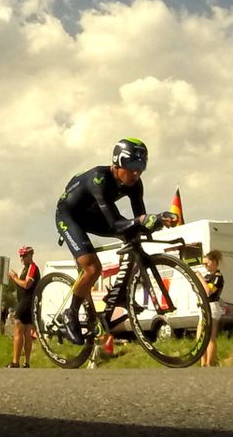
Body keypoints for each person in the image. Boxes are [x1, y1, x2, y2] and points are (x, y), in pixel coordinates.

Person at [55, 137, 177, 344]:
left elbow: (140, 220)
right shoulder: (99, 180)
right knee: (93, 269)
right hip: (70, 217)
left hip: (95, 216)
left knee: (133, 237)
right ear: (117, 163)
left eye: (141, 167)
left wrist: (155, 221)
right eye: (132, 166)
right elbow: (115, 224)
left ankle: (121, 293)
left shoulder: (135, 184)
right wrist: (143, 220)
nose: (136, 173)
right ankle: (71, 313)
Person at [7, 245, 40, 368]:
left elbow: (27, 284)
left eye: (24, 256)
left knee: (18, 330)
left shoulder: (32, 267)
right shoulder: (26, 268)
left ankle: (15, 361)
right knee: (27, 333)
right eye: (20, 256)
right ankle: (26, 362)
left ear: (30, 256)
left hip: (26, 302)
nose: (21, 258)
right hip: (28, 302)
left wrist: (14, 278)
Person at [196, 250, 224, 367]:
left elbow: (208, 291)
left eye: (207, 263)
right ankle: (203, 363)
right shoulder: (208, 276)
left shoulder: (217, 276)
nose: (205, 266)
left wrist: (200, 277)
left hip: (212, 307)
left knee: (210, 337)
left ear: (213, 262)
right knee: (200, 338)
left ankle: (210, 362)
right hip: (203, 307)